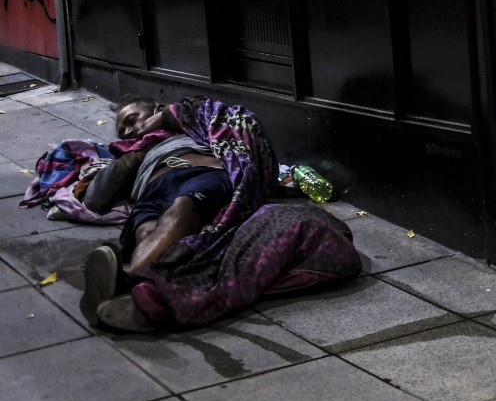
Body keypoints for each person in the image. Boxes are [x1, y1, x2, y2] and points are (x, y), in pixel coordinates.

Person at [79, 95, 360, 333]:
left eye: (132, 119)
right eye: (122, 131)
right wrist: (137, 154)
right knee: (144, 232)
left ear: (156, 107)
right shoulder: (129, 154)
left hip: (201, 175)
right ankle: (133, 286)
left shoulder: (192, 125)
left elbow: (237, 121)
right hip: (151, 191)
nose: (128, 132)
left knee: (181, 210)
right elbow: (95, 198)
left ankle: (129, 280)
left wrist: (167, 120)